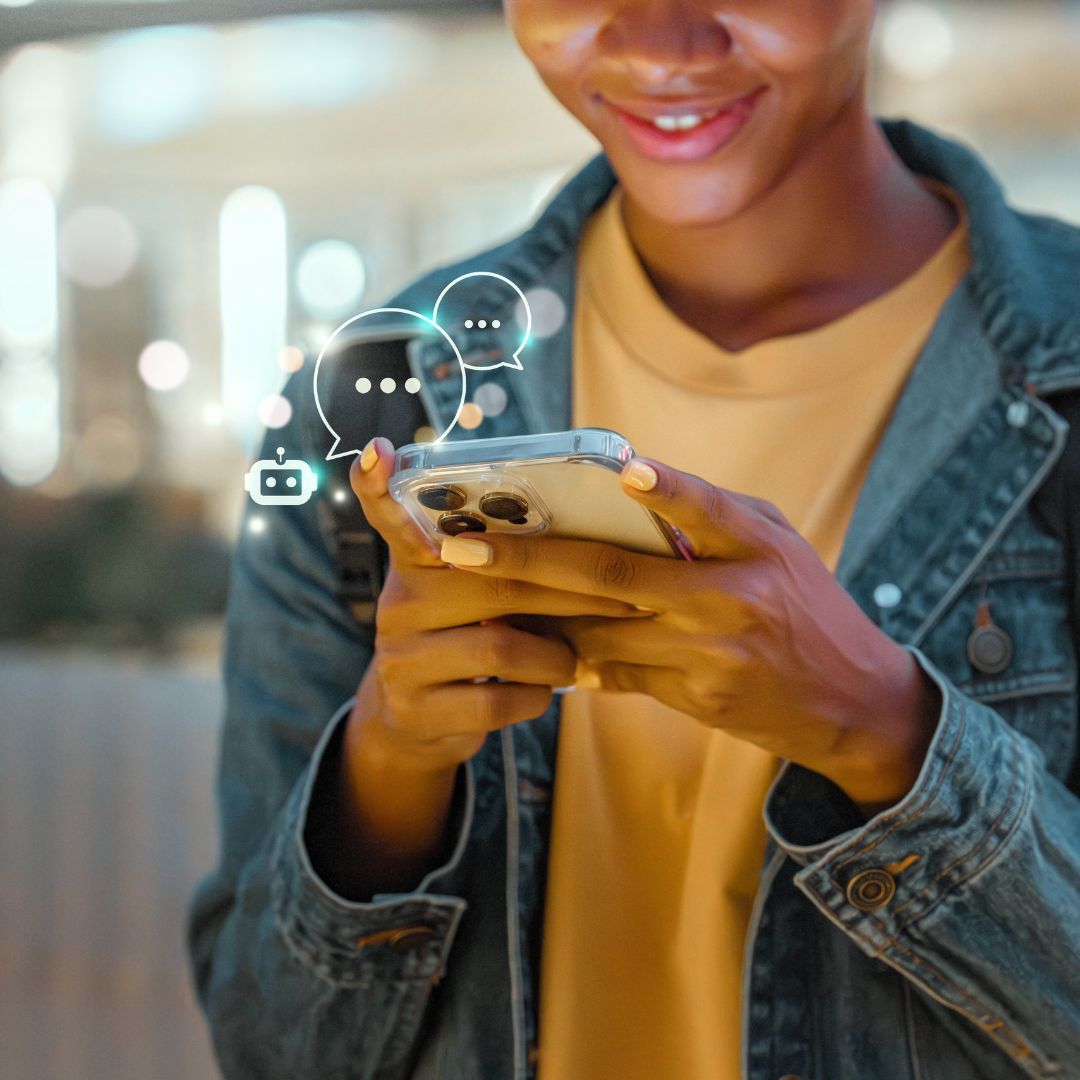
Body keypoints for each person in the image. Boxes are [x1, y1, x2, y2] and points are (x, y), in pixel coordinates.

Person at [187, 2, 1080, 1077]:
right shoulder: (370, 405)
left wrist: (888, 735)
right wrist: (390, 764)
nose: (659, 42)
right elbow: (266, 1048)